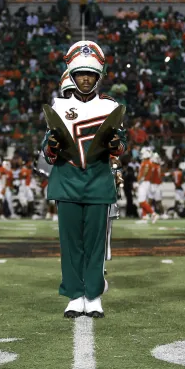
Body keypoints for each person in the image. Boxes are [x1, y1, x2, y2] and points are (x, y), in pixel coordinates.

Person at [42, 40, 126, 318]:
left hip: (98, 180)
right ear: (72, 76)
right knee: (70, 242)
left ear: (99, 76)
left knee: (94, 242)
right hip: (66, 180)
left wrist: (115, 142)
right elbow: (47, 151)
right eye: (80, 74)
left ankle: (94, 295)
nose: (85, 79)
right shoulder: (58, 105)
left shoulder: (110, 106)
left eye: (90, 74)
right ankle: (74, 295)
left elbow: (121, 146)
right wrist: (52, 143)